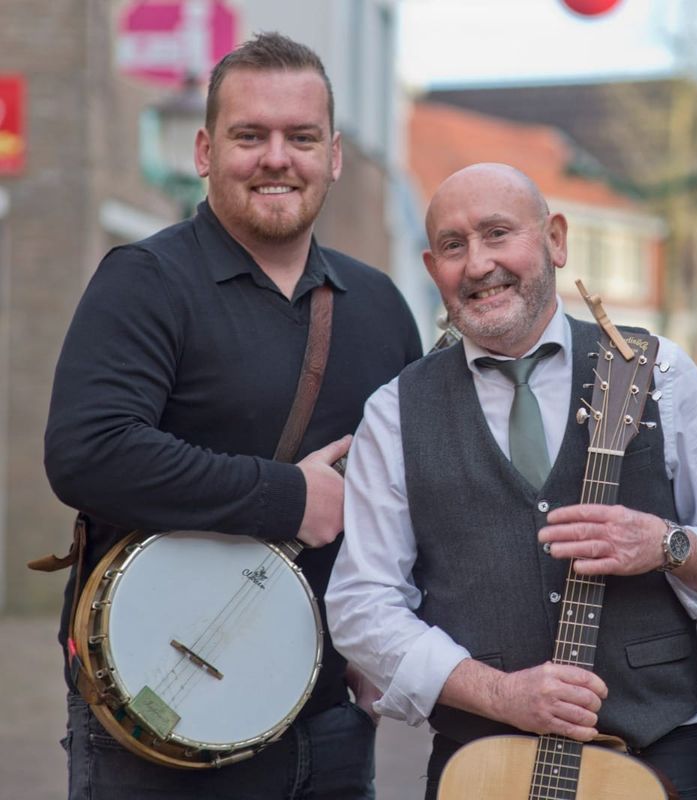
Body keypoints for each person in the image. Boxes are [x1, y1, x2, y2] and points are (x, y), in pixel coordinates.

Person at [42, 32, 423, 799]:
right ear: (205, 150)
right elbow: (89, 453)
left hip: (330, 727)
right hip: (162, 721)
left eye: (301, 137)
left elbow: (408, 495)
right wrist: (290, 498)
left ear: (335, 155)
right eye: (250, 136)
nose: (277, 158)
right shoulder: (145, 282)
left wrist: (400, 638)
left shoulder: (380, 305)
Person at [326, 162, 697, 800]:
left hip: (653, 755)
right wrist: (502, 694)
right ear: (431, 267)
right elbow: (362, 607)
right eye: (453, 246)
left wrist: (666, 545)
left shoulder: (660, 370)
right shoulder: (394, 411)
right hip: (479, 769)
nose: (476, 264)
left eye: (498, 233)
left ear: (555, 239)